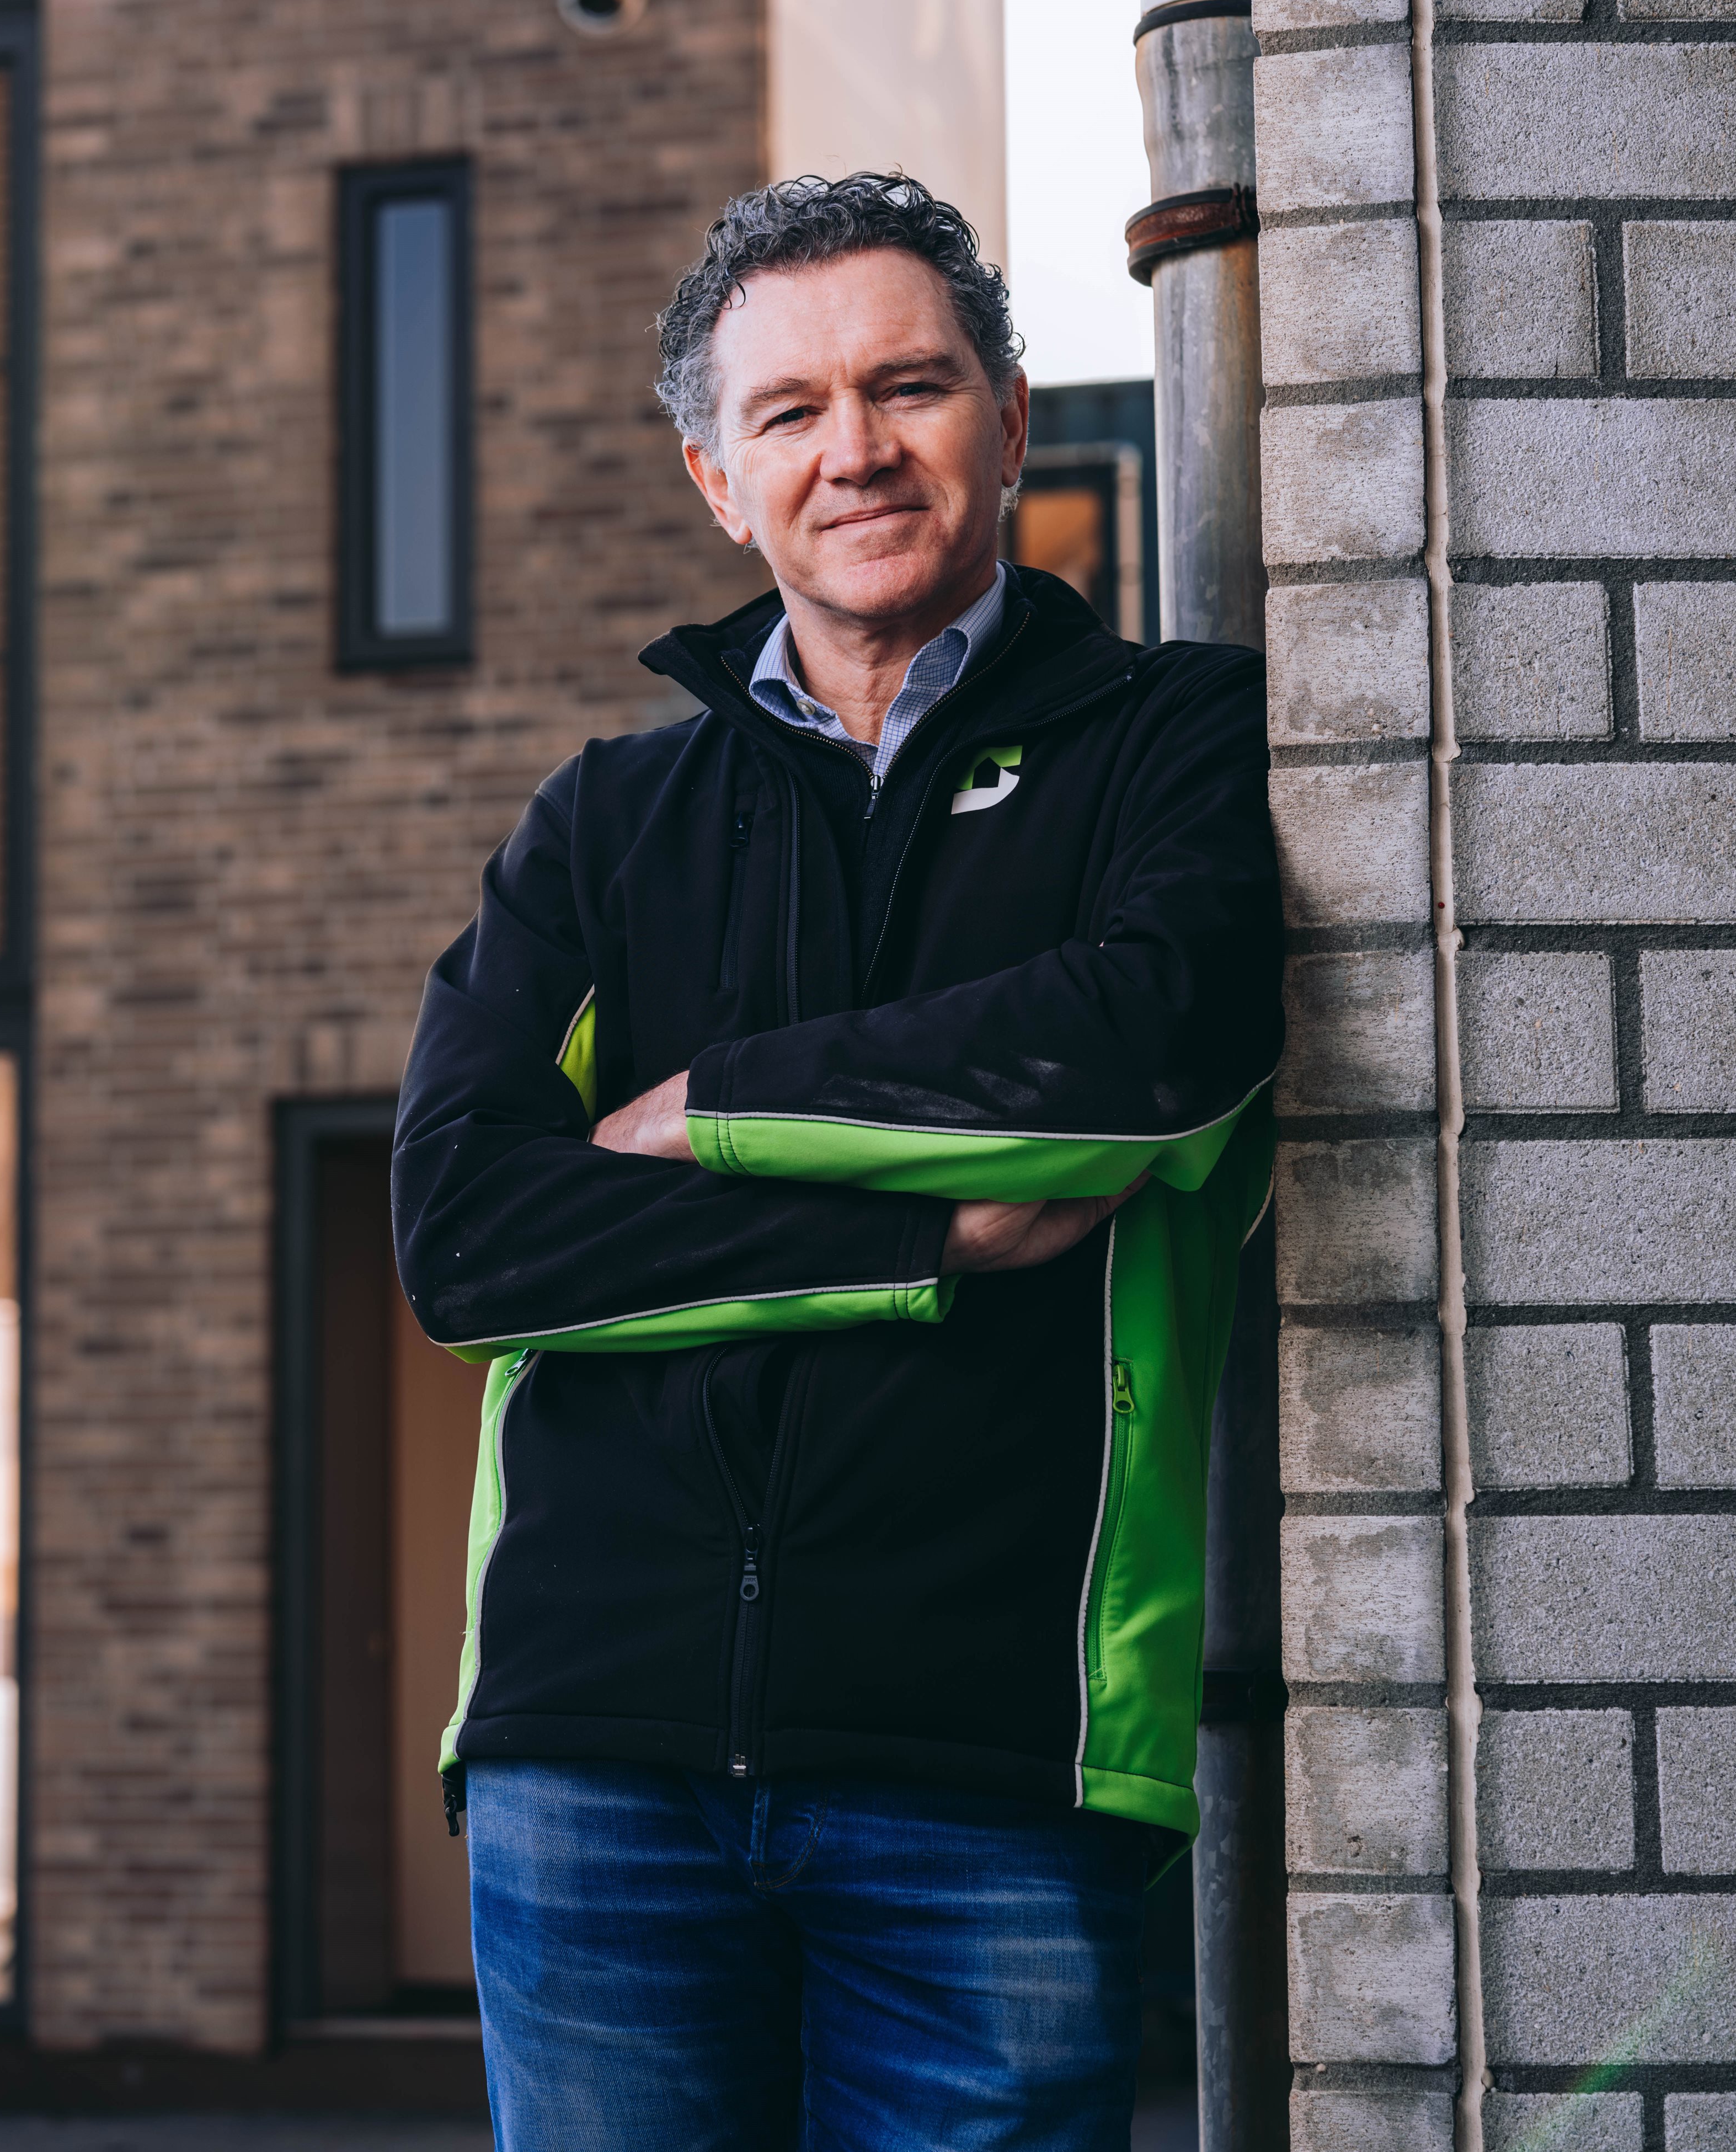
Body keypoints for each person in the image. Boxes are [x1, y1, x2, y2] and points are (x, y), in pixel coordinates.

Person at [391, 172, 1281, 2150]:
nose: (854, 449)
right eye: (788, 411)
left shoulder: (1179, 741)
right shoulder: (606, 823)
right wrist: (931, 1233)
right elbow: (466, 1232)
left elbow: (1150, 1047)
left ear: (1011, 419)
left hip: (995, 1758)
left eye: (909, 387)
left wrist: (702, 1108)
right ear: (720, 483)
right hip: (592, 1756)